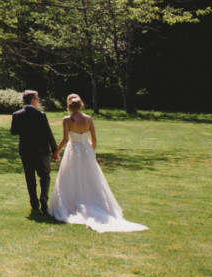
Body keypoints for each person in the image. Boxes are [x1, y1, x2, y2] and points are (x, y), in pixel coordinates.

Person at [48, 94, 148, 233]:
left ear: (69, 106)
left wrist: (56, 152)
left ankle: (72, 203)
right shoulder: (88, 119)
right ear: (81, 105)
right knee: (90, 178)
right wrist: (91, 152)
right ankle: (91, 201)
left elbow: (65, 139)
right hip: (87, 150)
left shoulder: (67, 120)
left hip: (73, 150)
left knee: (72, 176)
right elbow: (94, 139)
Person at [10, 90, 59, 213]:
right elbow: (48, 133)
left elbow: (13, 131)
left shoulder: (16, 115)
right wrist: (55, 150)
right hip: (41, 150)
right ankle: (43, 196)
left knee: (30, 176)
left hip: (26, 150)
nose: (38, 101)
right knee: (45, 175)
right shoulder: (40, 115)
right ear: (32, 100)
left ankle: (34, 202)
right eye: (37, 99)